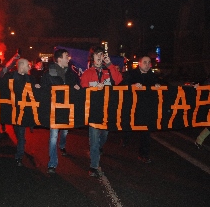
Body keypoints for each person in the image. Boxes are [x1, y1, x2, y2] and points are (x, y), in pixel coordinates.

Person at [80, 46, 123, 177]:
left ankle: (98, 148)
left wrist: (109, 64)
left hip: (107, 111)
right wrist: (94, 89)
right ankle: (93, 166)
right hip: (94, 111)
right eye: (97, 55)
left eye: (101, 55)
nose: (100, 57)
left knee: (103, 135)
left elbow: (119, 80)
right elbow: (83, 91)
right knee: (93, 139)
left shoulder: (108, 71)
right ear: (92, 58)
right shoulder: (87, 73)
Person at [40, 49, 80, 174]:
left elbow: (76, 86)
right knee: (53, 137)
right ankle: (52, 163)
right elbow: (43, 92)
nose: (68, 58)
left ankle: (62, 145)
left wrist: (77, 87)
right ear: (59, 59)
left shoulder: (71, 74)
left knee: (65, 131)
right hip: (54, 110)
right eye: (66, 56)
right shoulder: (48, 74)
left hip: (67, 109)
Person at [0, 58, 39, 166]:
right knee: (17, 131)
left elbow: (35, 92)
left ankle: (19, 156)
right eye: (28, 65)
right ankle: (21, 144)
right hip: (13, 111)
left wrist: (37, 87)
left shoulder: (30, 78)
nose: (30, 67)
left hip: (24, 111)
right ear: (21, 66)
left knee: (21, 133)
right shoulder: (10, 76)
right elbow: (1, 87)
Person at [123, 55, 161, 164]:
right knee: (129, 126)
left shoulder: (152, 76)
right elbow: (122, 84)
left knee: (146, 131)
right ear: (139, 63)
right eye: (145, 62)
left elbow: (163, 85)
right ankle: (125, 138)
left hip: (146, 108)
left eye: (149, 62)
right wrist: (132, 85)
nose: (147, 64)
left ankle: (143, 154)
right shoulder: (131, 74)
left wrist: (158, 85)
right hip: (133, 107)